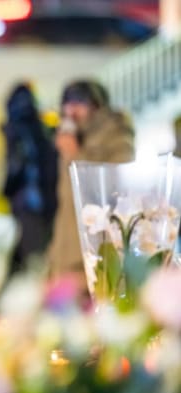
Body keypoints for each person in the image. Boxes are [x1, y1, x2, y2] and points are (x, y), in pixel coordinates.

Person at [47, 79, 134, 288]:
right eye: (67, 103)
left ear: (97, 106)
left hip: (98, 247)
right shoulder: (72, 136)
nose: (71, 110)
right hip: (66, 245)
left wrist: (76, 154)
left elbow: (115, 186)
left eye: (78, 103)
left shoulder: (116, 135)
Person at [1, 82, 58, 271]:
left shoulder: (17, 130)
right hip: (43, 202)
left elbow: (16, 168)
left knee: (32, 257)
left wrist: (7, 190)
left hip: (31, 203)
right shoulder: (42, 129)